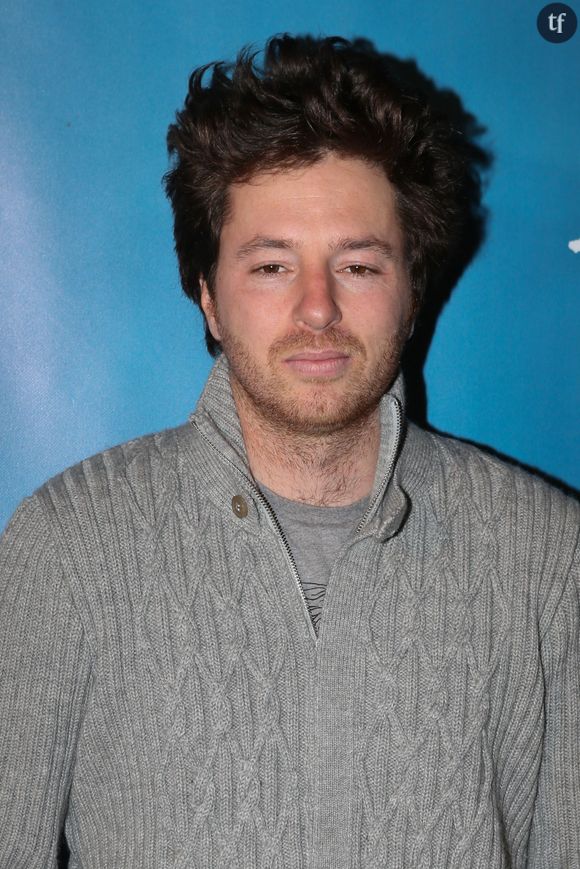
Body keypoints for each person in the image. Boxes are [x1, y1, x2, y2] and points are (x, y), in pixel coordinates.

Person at [0, 34, 578, 869]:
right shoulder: (66, 548)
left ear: (412, 290)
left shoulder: (550, 560)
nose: (317, 308)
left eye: (358, 264)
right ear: (206, 294)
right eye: (272, 266)